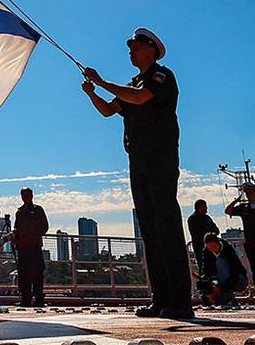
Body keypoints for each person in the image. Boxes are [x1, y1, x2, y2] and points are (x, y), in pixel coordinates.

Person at [81, 27, 192, 319]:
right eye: (130, 46)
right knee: (151, 231)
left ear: (152, 49)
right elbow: (108, 110)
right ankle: (161, 298)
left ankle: (181, 299)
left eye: (135, 46)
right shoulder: (132, 83)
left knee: (166, 226)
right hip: (138, 160)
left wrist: (102, 81)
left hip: (160, 157)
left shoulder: (161, 76)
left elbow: (142, 98)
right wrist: (93, 93)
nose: (130, 50)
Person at [13, 187, 49, 307]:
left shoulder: (38, 210)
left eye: (27, 195)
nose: (25, 197)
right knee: (23, 274)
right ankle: (25, 299)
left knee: (37, 273)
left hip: (35, 246)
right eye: (23, 195)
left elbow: (45, 227)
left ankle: (39, 298)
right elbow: (16, 228)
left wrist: (33, 234)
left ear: (32, 196)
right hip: (22, 247)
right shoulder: (19, 211)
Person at [200, 232, 248, 309]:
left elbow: (234, 274)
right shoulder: (206, 252)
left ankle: (227, 298)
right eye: (209, 247)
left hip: (238, 280)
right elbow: (205, 270)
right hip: (219, 281)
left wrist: (219, 289)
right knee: (206, 286)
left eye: (214, 247)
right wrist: (206, 285)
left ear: (218, 243)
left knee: (220, 263)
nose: (212, 249)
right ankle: (227, 300)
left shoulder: (228, 250)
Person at [188, 199, 220, 274]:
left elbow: (216, 230)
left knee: (214, 266)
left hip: (211, 246)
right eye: (205, 207)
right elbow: (197, 233)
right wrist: (208, 229)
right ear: (200, 207)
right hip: (200, 246)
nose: (206, 208)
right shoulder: (193, 218)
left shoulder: (207, 218)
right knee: (203, 266)